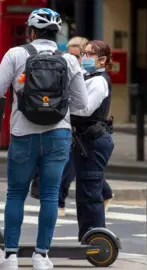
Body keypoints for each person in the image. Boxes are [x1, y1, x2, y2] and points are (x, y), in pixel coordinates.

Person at [0, 8, 88, 270]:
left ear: (31, 31)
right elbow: (82, 104)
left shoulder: (17, 54)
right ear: (57, 32)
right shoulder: (70, 60)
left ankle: (11, 257)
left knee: (16, 194)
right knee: (49, 195)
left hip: (23, 134)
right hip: (58, 134)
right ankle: (41, 256)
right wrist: (56, 107)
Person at [70, 40, 115, 242]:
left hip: (93, 140)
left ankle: (94, 242)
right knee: (86, 191)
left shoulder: (99, 81)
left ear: (102, 59)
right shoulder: (89, 76)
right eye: (84, 54)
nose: (84, 58)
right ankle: (87, 240)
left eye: (90, 54)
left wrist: (63, 108)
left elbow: (85, 109)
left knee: (89, 194)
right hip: (85, 139)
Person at [58, 36, 89, 217]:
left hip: (81, 128)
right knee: (76, 165)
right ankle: (106, 194)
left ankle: (60, 203)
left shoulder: (86, 74)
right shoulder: (65, 70)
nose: (72, 59)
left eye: (76, 56)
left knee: (72, 166)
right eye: (69, 55)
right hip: (68, 124)